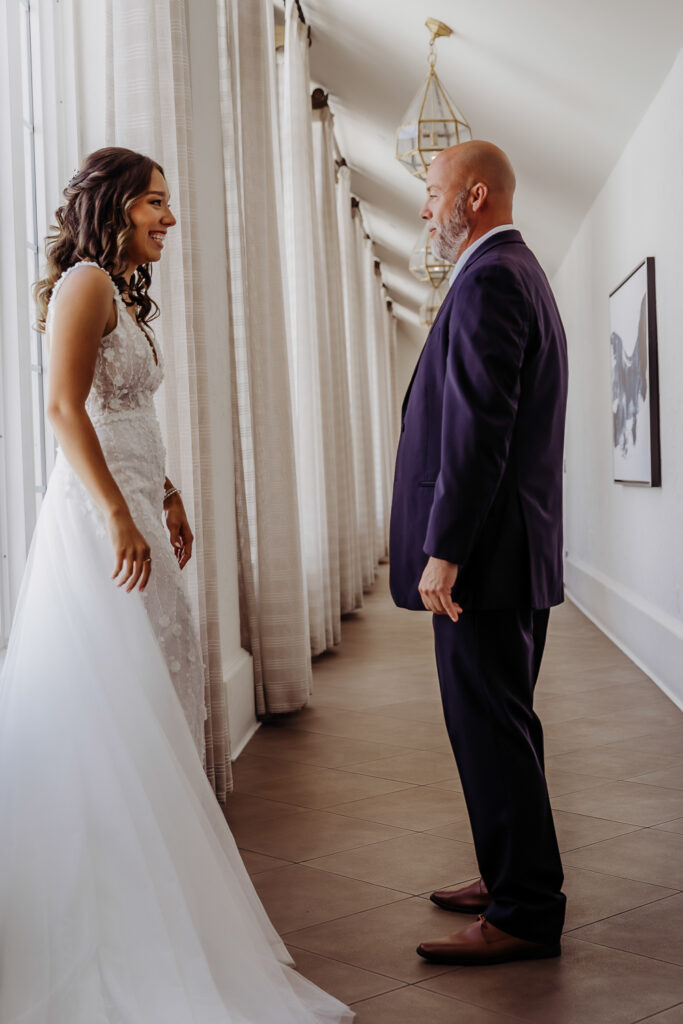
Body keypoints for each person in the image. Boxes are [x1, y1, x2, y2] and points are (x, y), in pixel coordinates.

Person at [0, 147, 353, 1023]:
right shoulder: (85, 282)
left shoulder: (122, 294)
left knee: (152, 698)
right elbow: (62, 408)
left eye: (168, 202)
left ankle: (151, 891)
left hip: (139, 514)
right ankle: (105, 912)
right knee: (110, 706)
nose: (168, 217)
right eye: (155, 201)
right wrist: (119, 514)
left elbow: (131, 415)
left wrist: (166, 494)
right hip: (98, 528)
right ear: (114, 205)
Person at [389, 140, 568, 966]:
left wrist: (444, 550)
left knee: (490, 728)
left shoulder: (493, 278)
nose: (425, 206)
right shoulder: (514, 271)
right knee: (502, 727)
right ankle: (508, 876)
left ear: (476, 196)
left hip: (485, 563)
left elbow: (478, 430)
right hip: (509, 556)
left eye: (433, 191)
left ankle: (524, 911)